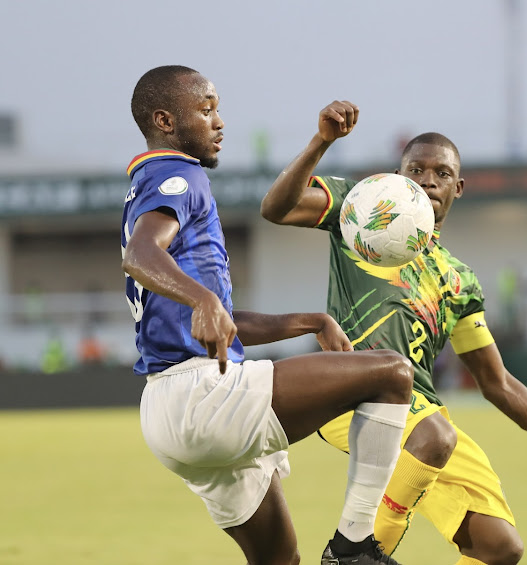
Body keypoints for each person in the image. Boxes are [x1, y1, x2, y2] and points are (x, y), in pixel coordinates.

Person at [261, 100, 527, 565]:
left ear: (459, 187)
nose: (428, 180)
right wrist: (322, 141)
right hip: (352, 394)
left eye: (442, 173)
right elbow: (276, 208)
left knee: (501, 548)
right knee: (435, 436)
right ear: (400, 176)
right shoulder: (362, 209)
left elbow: (499, 385)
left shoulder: (459, 281)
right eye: (417, 170)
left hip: (421, 413)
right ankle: (350, 553)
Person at [122, 67, 416, 565]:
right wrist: (205, 301)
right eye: (208, 108)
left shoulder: (148, 184)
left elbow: (224, 322)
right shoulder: (180, 174)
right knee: (392, 374)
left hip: (169, 410)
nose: (219, 121)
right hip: (202, 399)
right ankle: (353, 547)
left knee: (279, 559)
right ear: (165, 120)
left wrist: (311, 321)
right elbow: (141, 255)